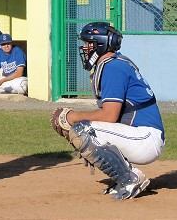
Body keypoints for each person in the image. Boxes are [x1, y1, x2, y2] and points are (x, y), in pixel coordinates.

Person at [50, 22, 165, 200]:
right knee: (86, 130)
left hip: (145, 139)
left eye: (89, 43)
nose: (85, 47)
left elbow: (109, 116)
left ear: (101, 44)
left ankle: (131, 179)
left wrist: (72, 117)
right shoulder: (113, 64)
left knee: (84, 130)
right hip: (139, 135)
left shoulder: (113, 67)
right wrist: (90, 147)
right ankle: (123, 177)